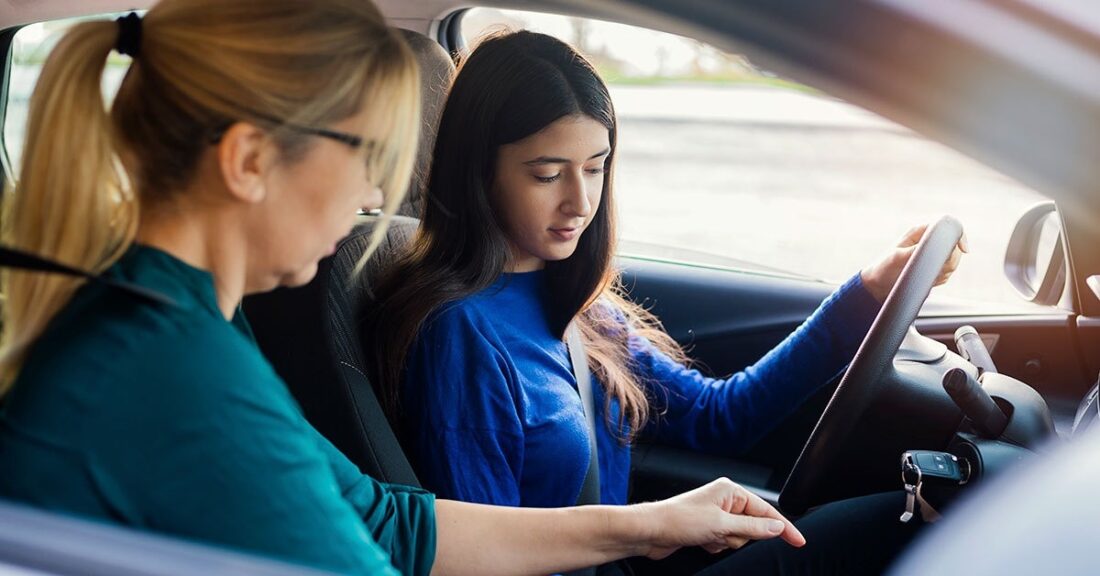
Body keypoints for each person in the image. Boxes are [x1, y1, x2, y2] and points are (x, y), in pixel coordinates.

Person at [0, 4, 808, 576]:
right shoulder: (174, 372)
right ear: (249, 161)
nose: (370, 202)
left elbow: (389, 523)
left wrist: (646, 525)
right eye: (368, 159)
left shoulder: (177, 321)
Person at [368, 30, 966, 574]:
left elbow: (720, 416)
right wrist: (646, 530)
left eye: (596, 168)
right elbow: (479, 560)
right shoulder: (461, 337)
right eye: (548, 174)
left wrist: (869, 291)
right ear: (480, 173)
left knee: (915, 518)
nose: (581, 201)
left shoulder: (575, 300)